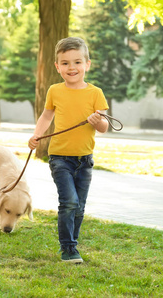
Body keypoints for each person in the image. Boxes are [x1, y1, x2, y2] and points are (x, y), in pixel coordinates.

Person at [28, 37, 109, 263]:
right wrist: (37, 135)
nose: (71, 68)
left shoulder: (96, 93)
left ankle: (72, 243)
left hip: (85, 160)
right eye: (65, 63)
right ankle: (68, 248)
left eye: (77, 62)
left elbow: (104, 127)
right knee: (69, 202)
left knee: (79, 207)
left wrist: (96, 121)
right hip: (60, 158)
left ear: (87, 64)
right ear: (57, 67)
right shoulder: (55, 90)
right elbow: (47, 116)